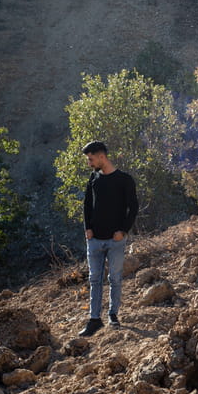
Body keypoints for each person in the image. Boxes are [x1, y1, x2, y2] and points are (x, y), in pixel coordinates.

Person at [78, 141, 139, 337]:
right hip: (94, 240)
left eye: (91, 159)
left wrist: (123, 230)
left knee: (115, 278)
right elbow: (87, 204)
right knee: (94, 279)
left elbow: (134, 207)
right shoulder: (94, 178)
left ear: (102, 156)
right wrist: (87, 228)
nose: (89, 163)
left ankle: (113, 315)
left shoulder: (124, 180)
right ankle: (94, 320)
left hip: (115, 240)